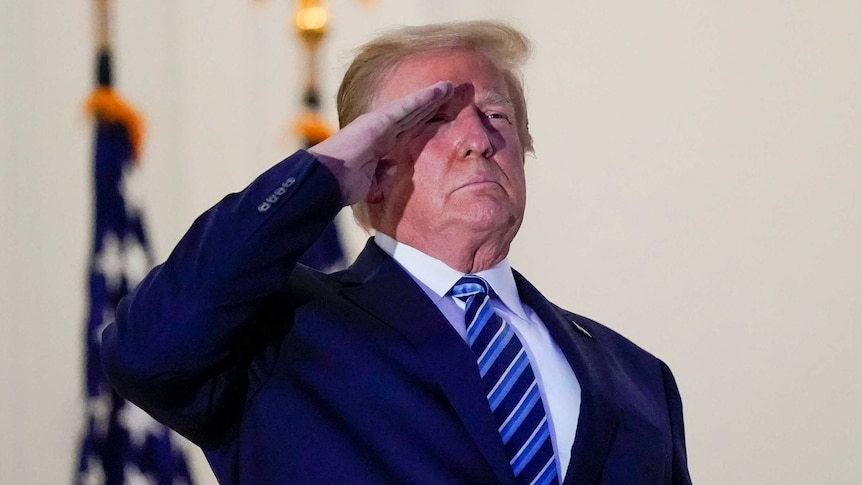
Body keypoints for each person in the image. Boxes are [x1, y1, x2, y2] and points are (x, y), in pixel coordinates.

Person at [101, 20, 692, 485]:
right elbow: (146, 352)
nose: (478, 141)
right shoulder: (278, 334)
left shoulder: (638, 376)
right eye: (433, 118)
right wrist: (321, 177)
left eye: (496, 116)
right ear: (370, 163)